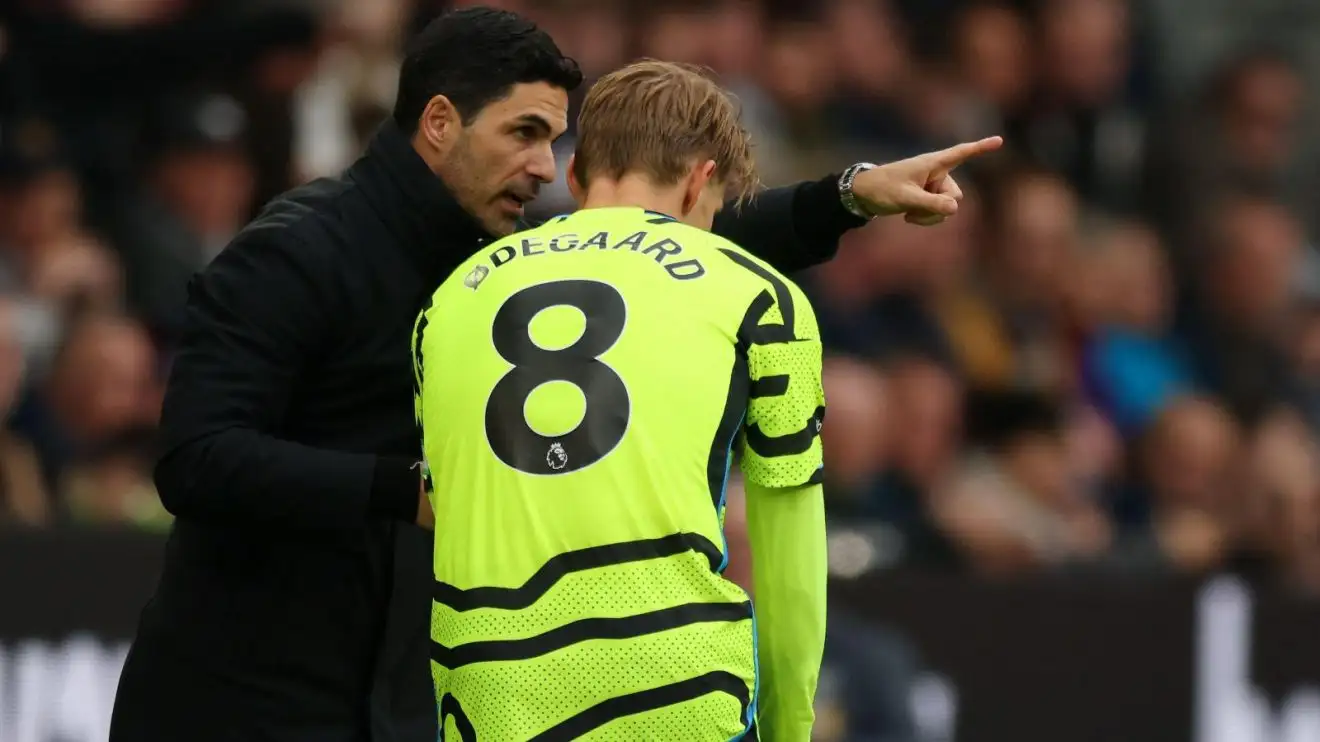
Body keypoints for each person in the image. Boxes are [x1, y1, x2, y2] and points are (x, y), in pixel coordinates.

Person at [110, 7, 998, 742]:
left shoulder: (490, 256)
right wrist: (404, 487)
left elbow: (667, 240)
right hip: (234, 698)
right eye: (525, 134)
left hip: (384, 695)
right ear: (440, 123)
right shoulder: (294, 253)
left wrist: (849, 195)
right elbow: (194, 457)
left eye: (555, 139)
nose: (545, 167)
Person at [415, 59, 825, 741]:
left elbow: (445, 506)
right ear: (701, 179)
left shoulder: (450, 299)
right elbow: (791, 566)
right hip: (674, 686)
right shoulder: (762, 297)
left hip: (486, 693)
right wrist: (790, 728)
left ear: (575, 177)